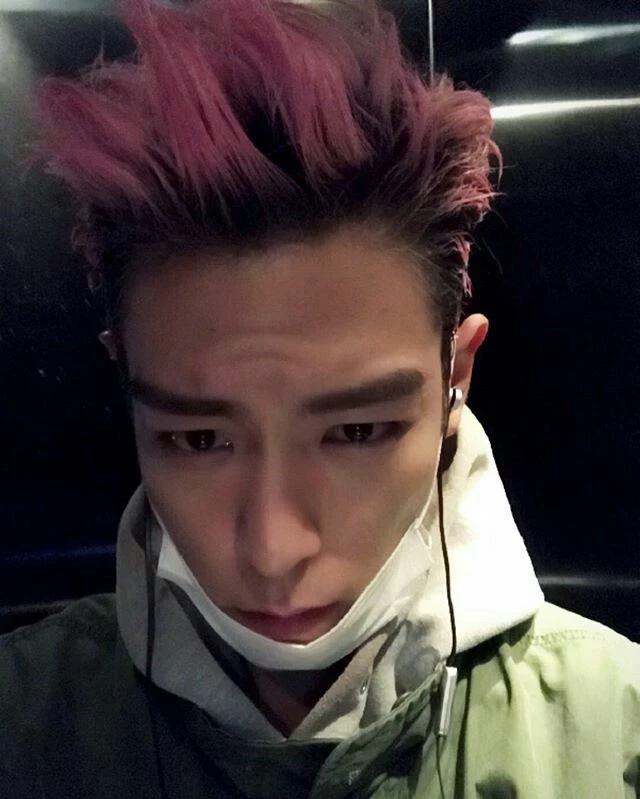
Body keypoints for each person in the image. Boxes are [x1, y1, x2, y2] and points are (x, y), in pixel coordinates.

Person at [1, 0, 638, 796]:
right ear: (127, 387)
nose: (274, 551)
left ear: (457, 377)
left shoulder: (617, 737)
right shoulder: (23, 727)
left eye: (359, 430)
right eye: (198, 439)